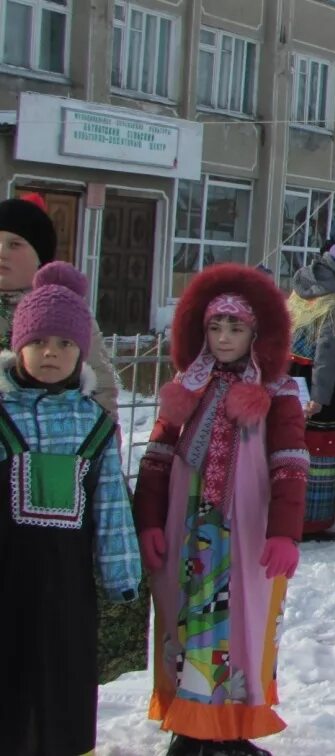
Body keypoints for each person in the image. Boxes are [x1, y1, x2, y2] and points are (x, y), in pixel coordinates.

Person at [135, 263, 306, 755]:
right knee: (187, 616)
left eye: (236, 327)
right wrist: (148, 518)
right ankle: (190, 727)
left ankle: (230, 726)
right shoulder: (186, 387)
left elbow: (290, 462)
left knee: (242, 621)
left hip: (246, 529)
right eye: (215, 326)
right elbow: (158, 456)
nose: (225, 337)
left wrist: (284, 532)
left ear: (256, 332)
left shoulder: (276, 392)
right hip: (186, 527)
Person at [0, 262, 139, 756]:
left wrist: (123, 572)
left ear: (82, 352)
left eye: (63, 344)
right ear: (19, 347)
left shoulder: (91, 425)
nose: (51, 353)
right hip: (6, 574)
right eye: (39, 343)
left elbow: (111, 505)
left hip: (67, 578)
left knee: (63, 669)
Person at [0, 196, 119, 414]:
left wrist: (101, 440)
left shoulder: (64, 308)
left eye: (14, 244)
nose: (1, 252)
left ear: (40, 256)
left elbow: (100, 384)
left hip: (54, 437)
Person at [287, 241, 335, 539]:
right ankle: (311, 522)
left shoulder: (305, 285)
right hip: (320, 385)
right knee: (319, 450)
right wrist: (320, 398)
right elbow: (328, 355)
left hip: (290, 376)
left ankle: (286, 515)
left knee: (291, 447)